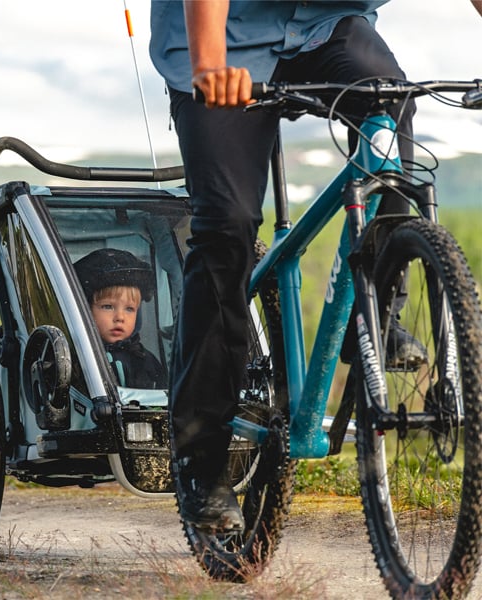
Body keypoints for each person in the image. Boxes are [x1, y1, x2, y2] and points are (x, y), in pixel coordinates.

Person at [149, 0, 482, 532]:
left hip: (327, 30)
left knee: (390, 106)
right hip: (220, 37)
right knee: (227, 227)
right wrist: (209, 64)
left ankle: (374, 316)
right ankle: (200, 456)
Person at [74, 248, 168, 390]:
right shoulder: (77, 360)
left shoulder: (146, 362)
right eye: (108, 306)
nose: (120, 317)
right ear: (86, 309)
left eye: (129, 309)